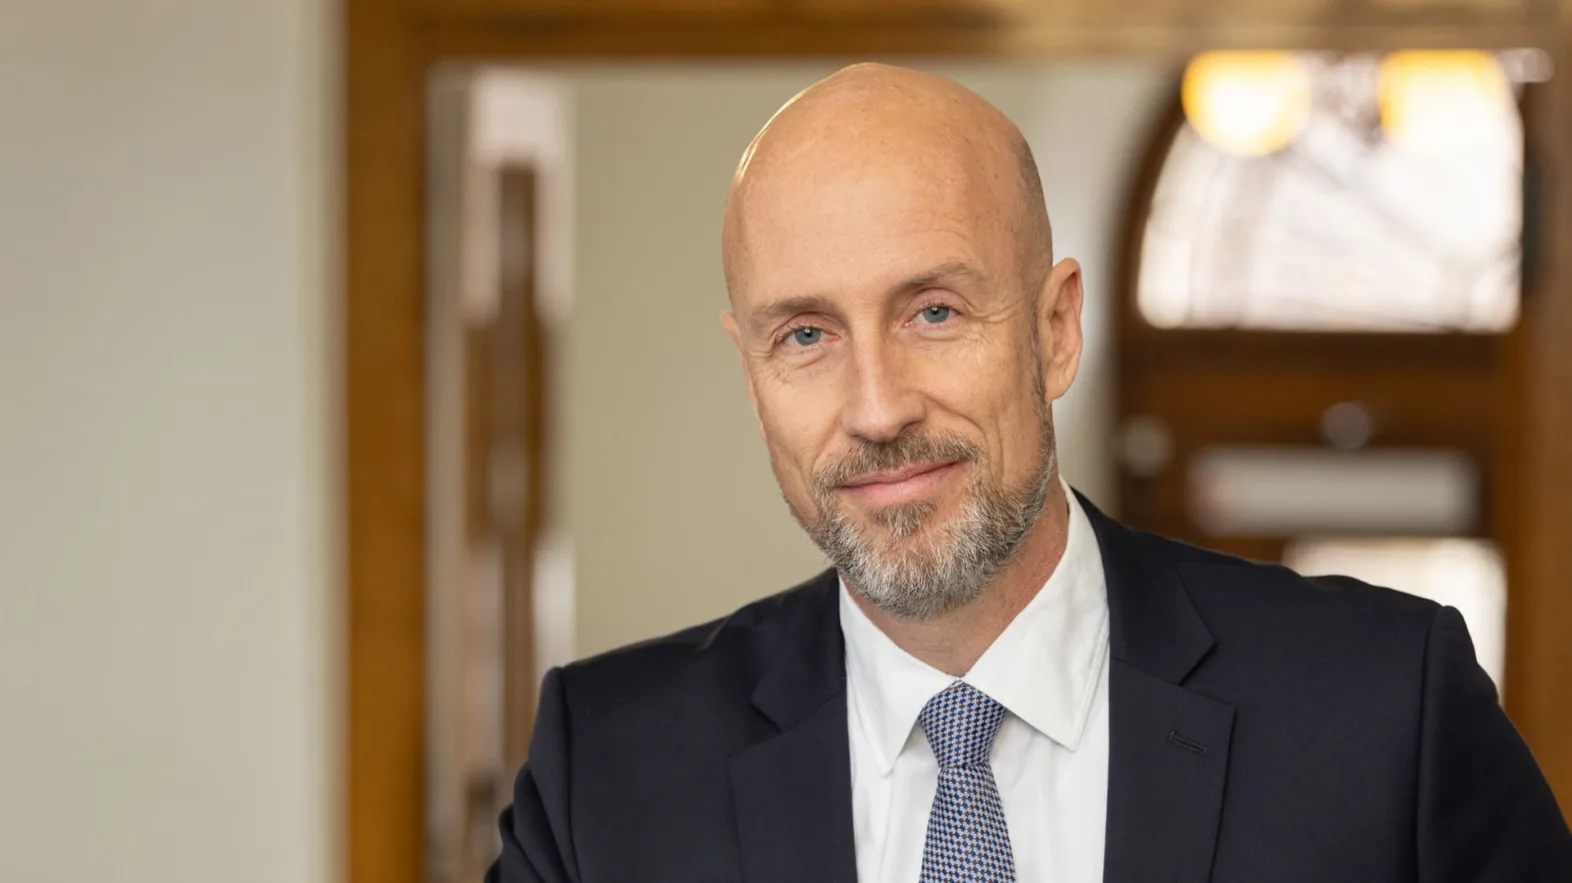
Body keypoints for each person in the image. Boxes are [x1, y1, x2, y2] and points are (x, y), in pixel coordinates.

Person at [487, 64, 1571, 883]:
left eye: (935, 312)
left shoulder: (1384, 710)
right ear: (751, 367)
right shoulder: (607, 774)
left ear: (1056, 331)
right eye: (807, 336)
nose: (877, 409)